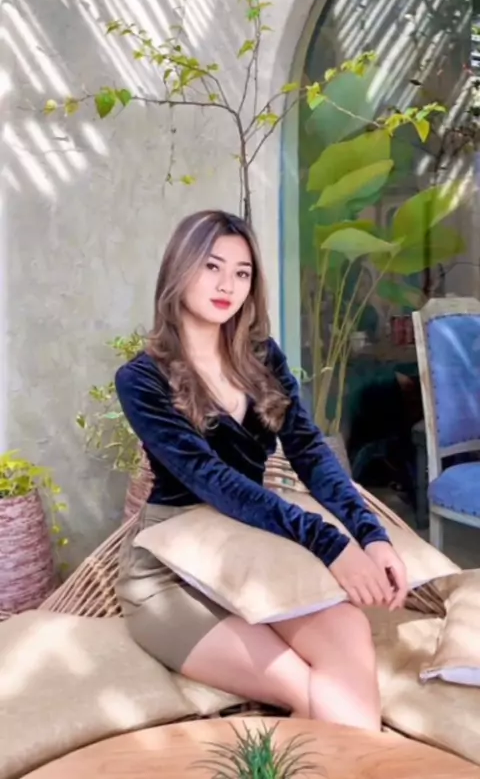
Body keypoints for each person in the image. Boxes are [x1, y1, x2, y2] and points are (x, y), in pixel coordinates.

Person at [115, 209, 408, 730]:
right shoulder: (141, 379)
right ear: (179, 268)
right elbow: (214, 481)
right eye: (211, 266)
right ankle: (366, 760)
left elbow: (309, 451)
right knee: (305, 688)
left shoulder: (261, 357)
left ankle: (364, 761)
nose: (227, 285)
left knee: (348, 632)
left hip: (250, 551)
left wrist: (371, 535)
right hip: (170, 571)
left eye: (242, 272)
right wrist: (330, 545)